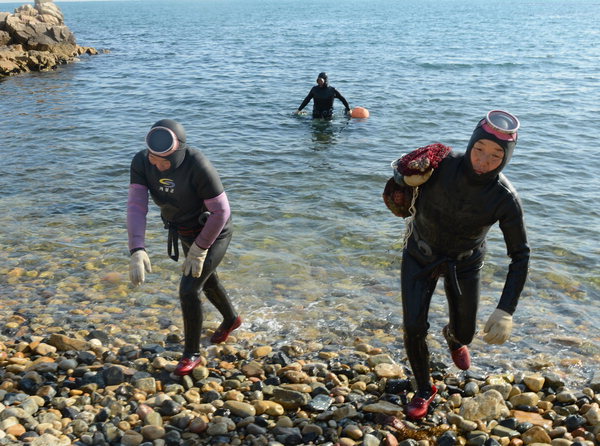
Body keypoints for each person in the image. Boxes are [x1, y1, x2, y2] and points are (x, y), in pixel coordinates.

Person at [391, 110, 530, 420]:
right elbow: (398, 175)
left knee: (466, 334)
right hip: (419, 254)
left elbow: (520, 255)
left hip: (465, 263)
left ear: (507, 157)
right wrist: (406, 178)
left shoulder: (505, 198)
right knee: (413, 326)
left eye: (496, 154)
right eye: (479, 149)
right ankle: (425, 387)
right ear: (470, 143)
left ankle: (454, 338)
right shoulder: (441, 165)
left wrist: (506, 309)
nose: (484, 159)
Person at [127, 119, 242, 376]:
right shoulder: (141, 163)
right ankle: (231, 320)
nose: (156, 164)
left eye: (164, 161)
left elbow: (221, 212)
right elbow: (136, 206)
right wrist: (137, 248)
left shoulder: (197, 164)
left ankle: (191, 354)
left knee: (189, 288)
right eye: (152, 157)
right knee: (207, 281)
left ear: (177, 155)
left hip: (214, 231)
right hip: (183, 230)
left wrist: (200, 248)